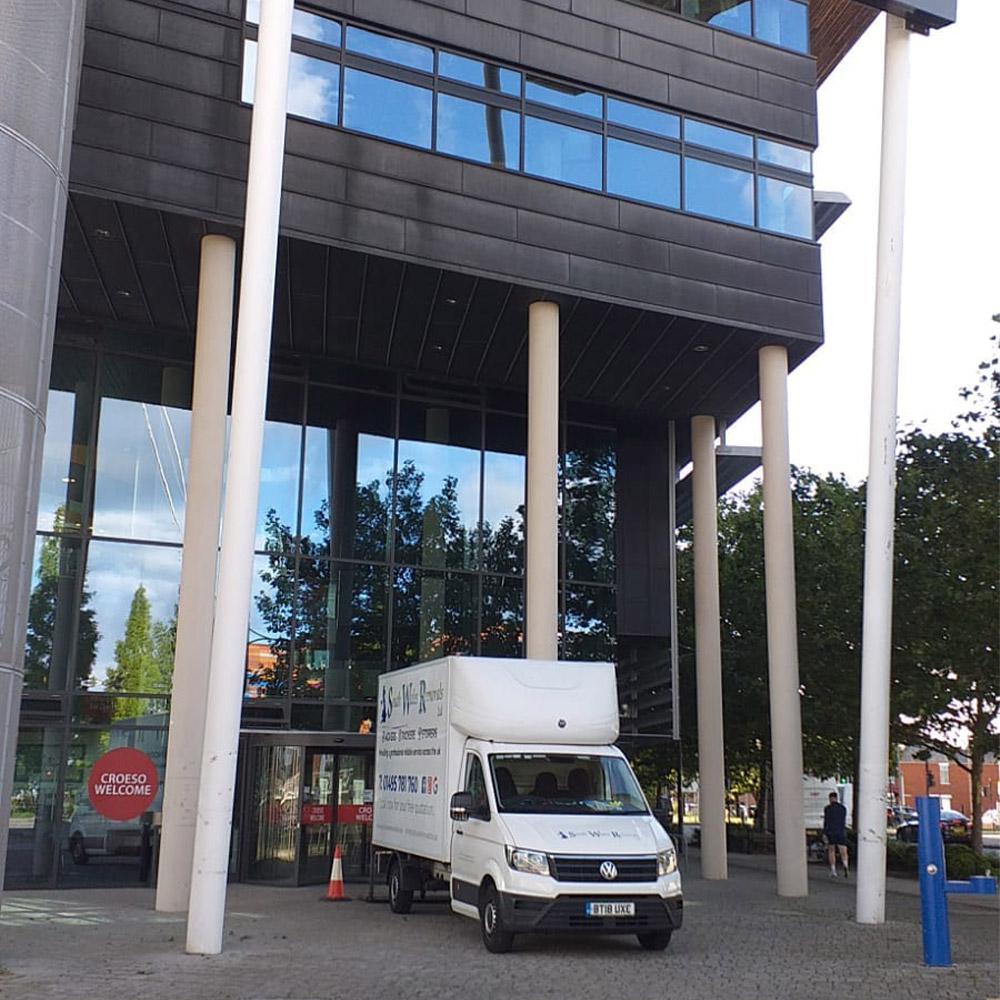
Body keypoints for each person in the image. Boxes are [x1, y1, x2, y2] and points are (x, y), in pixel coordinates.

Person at [822, 792, 849, 879]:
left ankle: (833, 870)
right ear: (837, 798)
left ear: (830, 798)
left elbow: (826, 822)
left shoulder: (827, 809)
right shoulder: (843, 808)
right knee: (843, 851)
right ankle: (845, 865)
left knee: (831, 851)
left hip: (831, 832)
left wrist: (824, 833)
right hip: (841, 831)